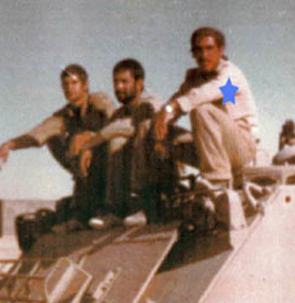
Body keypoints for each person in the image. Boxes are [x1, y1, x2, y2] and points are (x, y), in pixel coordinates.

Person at [0, 64, 115, 231]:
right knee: (52, 136)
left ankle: (108, 208)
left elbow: (114, 125)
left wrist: (90, 144)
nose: (69, 88)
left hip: (112, 161)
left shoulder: (99, 101)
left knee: (79, 139)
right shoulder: (66, 114)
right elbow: (39, 133)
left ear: (85, 85)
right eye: (65, 84)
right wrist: (9, 145)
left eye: (74, 83)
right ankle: (80, 212)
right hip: (85, 166)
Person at [154, 27, 259, 189]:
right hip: (211, 148)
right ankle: (162, 191)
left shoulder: (231, 74)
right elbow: (173, 106)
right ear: (193, 53)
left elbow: (204, 93)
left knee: (202, 110)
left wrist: (173, 106)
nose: (204, 55)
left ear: (221, 50)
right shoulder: (194, 79)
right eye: (198, 50)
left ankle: (218, 183)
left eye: (209, 49)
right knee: (153, 129)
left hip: (241, 148)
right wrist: (162, 121)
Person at [76, 59, 163, 228]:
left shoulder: (151, 102)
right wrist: (89, 149)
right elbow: (112, 128)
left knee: (120, 137)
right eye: (115, 82)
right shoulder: (119, 113)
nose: (118, 87)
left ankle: (143, 207)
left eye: (124, 82)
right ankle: (103, 210)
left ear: (139, 83)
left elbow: (127, 126)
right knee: (103, 144)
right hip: (130, 176)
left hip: (159, 172)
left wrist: (89, 144)